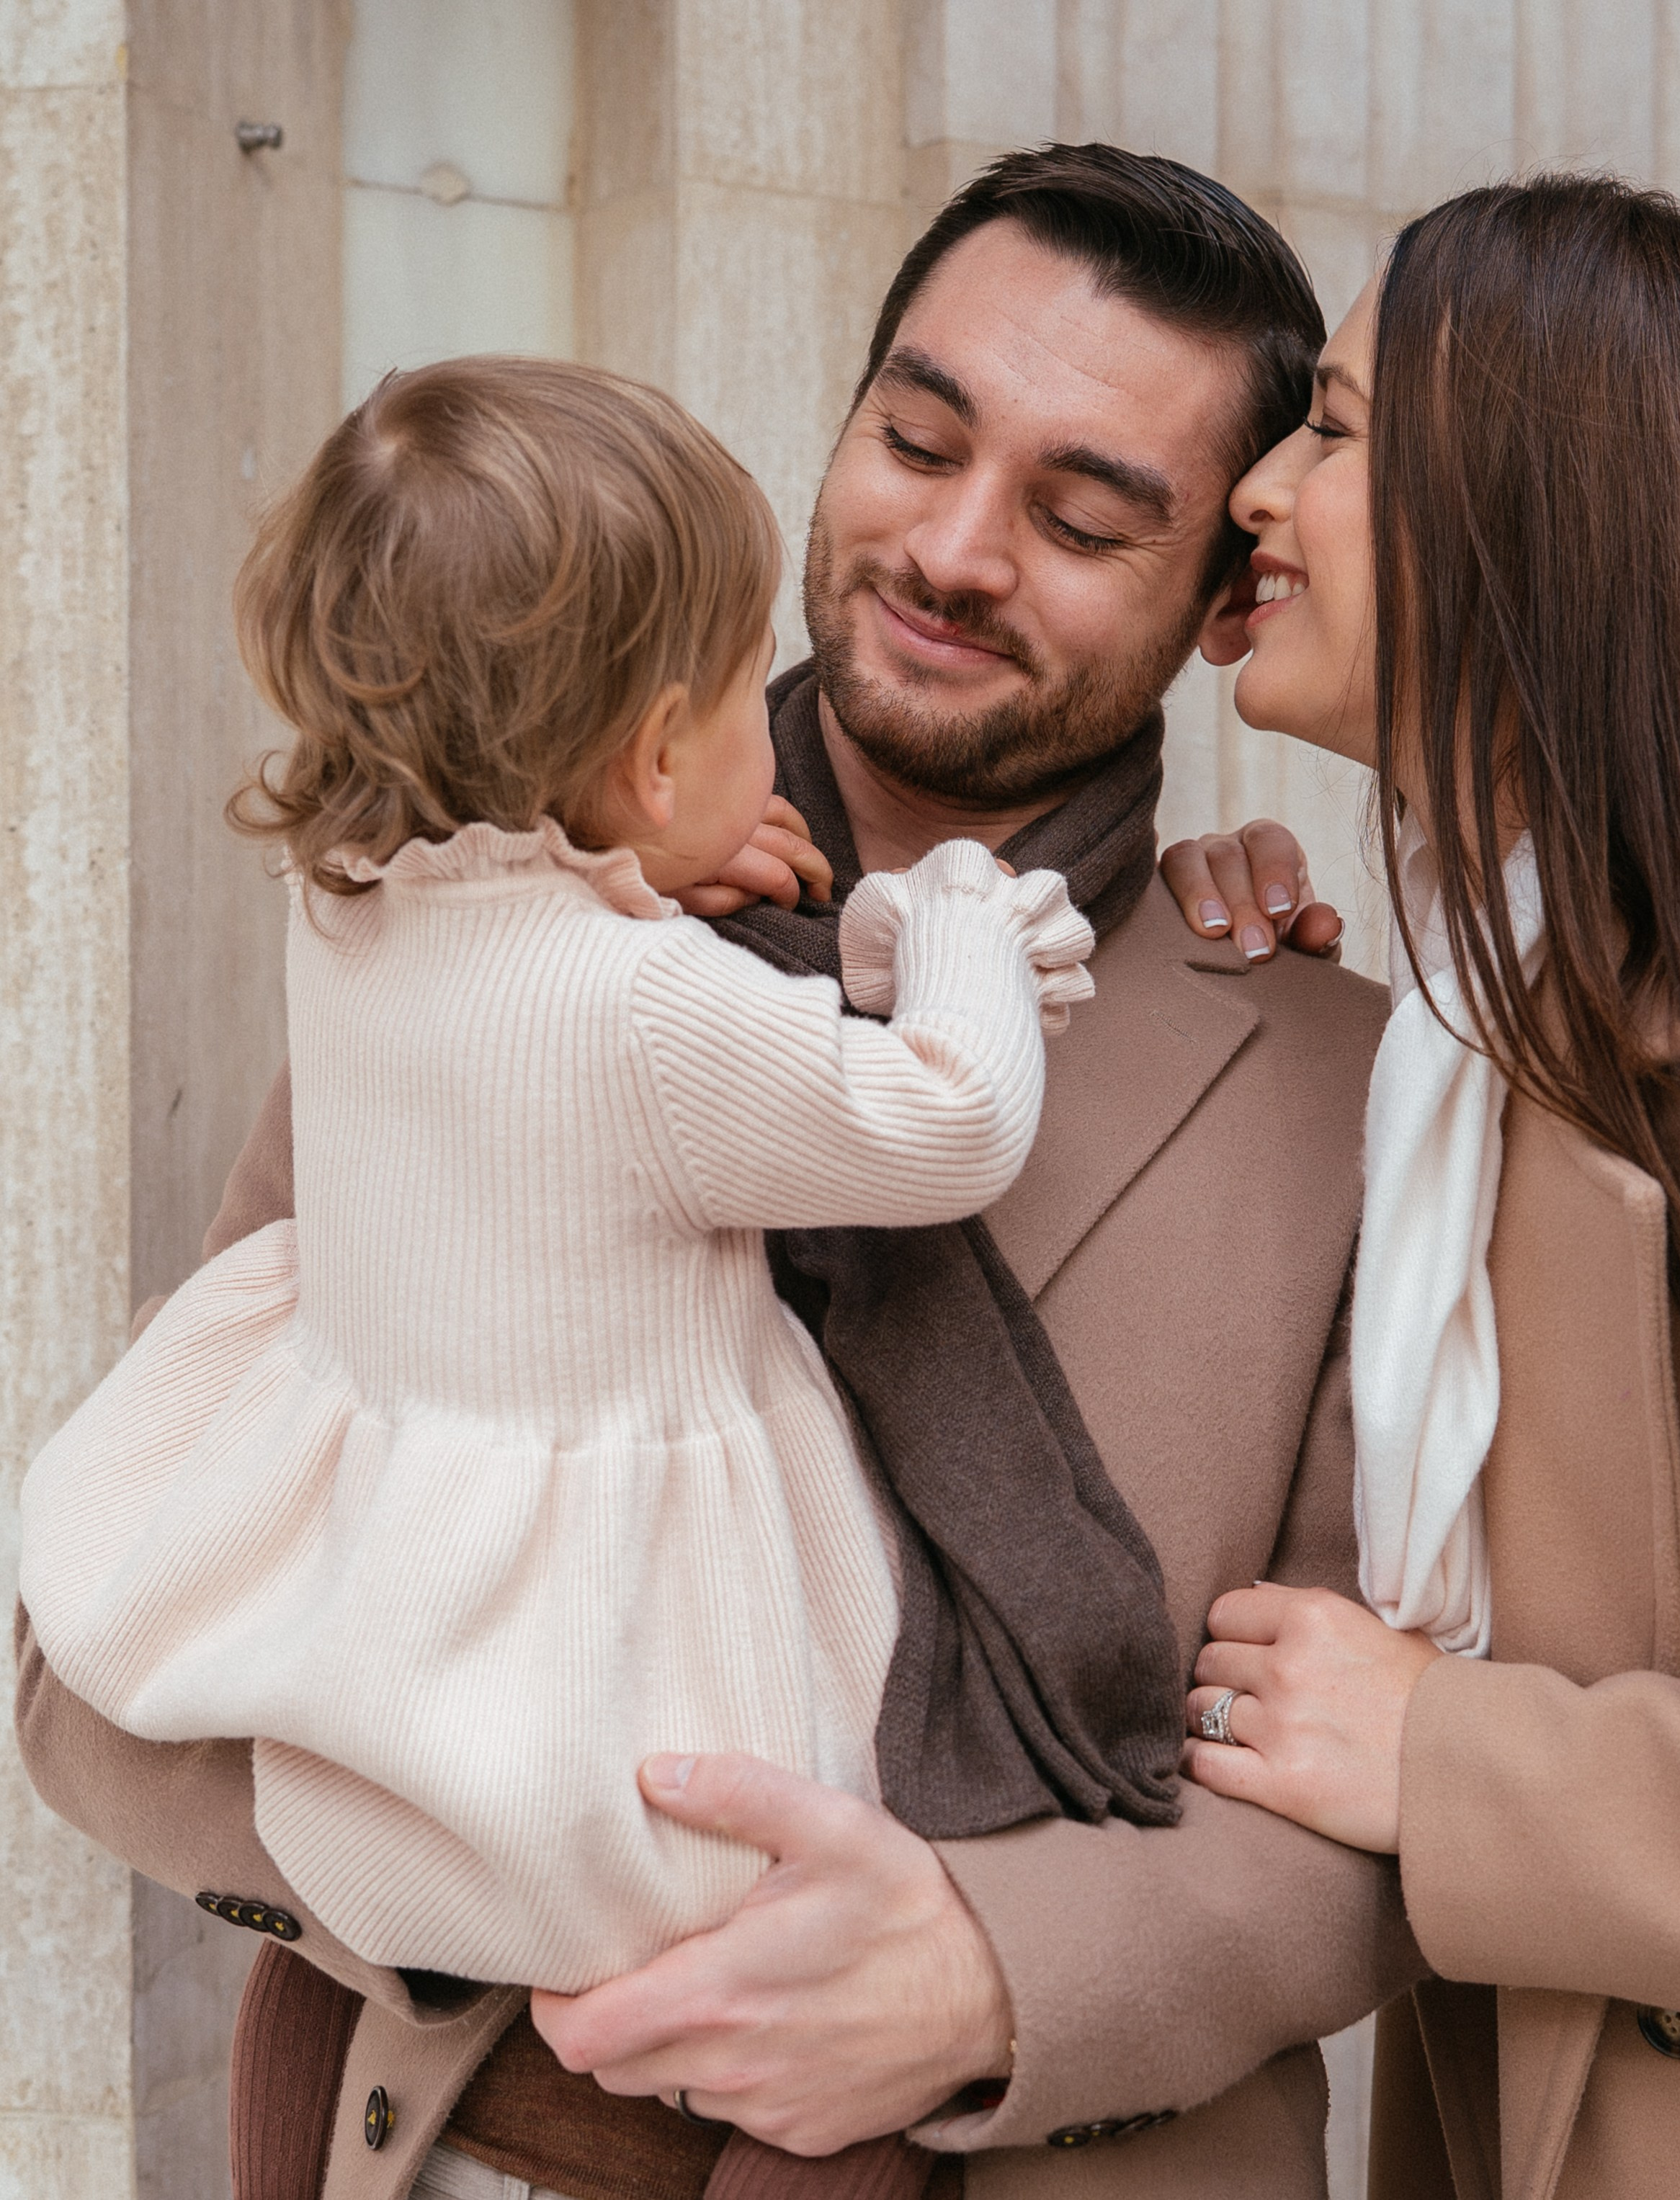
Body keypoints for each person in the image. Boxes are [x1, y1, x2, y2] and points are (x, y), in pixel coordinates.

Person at [16, 147, 1416, 2200]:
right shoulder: (472, 904)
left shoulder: (1344, 1076)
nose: (949, 547)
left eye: (1079, 512)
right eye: (914, 440)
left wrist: (987, 1979)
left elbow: (1384, 1803)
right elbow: (112, 1656)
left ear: (1225, 596)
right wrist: (481, 1851)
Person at [22, 346, 1112, 2013]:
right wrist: (959, 908)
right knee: (700, 1827)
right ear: (658, 762)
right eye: (753, 685)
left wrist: (639, 855)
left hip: (404, 1573)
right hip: (623, 1701)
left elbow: (523, 944)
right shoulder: (648, 1004)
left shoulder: (356, 896)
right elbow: (950, 1115)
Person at [1183, 175, 1680, 2200]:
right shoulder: (1463, 1017)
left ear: (1539, 503)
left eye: (1330, 429)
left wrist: (1450, 1758)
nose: (1254, 486)